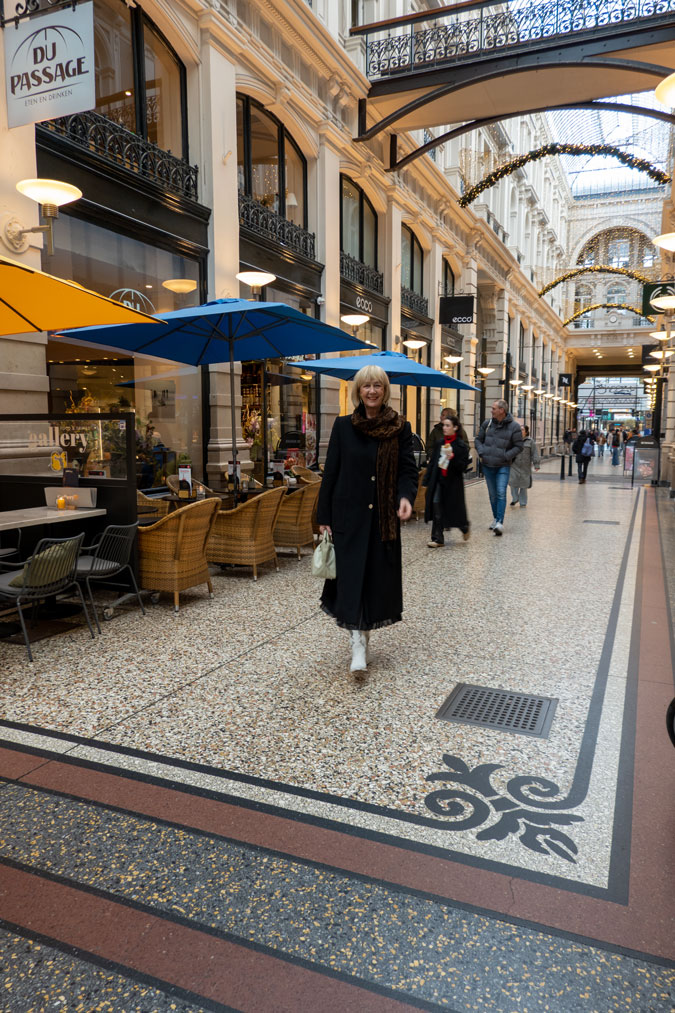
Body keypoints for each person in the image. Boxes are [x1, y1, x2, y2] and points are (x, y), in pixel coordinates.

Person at [317, 365, 418, 677]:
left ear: (385, 390)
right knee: (350, 581)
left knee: (373, 579)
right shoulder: (343, 426)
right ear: (357, 391)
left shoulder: (400, 427)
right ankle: (357, 641)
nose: (372, 391)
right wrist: (323, 517)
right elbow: (331, 473)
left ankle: (364, 633)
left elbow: (407, 470)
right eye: (366, 386)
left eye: (377, 386)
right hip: (349, 517)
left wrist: (405, 497)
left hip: (382, 520)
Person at [474, 399, 523, 536]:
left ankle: (500, 522)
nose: (491, 410)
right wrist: (482, 452)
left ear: (502, 410)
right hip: (488, 465)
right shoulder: (487, 424)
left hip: (503, 466)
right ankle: (496, 518)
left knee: (501, 492)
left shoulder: (514, 427)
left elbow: (519, 446)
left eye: (494, 408)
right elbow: (478, 440)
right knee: (493, 494)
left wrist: (506, 456)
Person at [423, 414, 470, 547]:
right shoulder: (440, 443)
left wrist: (452, 458)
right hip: (439, 480)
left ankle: (464, 526)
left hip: (453, 483)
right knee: (436, 504)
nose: (444, 428)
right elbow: (433, 462)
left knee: (454, 508)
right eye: (444, 425)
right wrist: (427, 479)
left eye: (448, 425)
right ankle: (437, 538)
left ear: (455, 427)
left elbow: (463, 466)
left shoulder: (460, 445)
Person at [508, 424, 540, 507]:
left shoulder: (530, 441)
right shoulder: (513, 440)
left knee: (523, 486)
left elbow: (534, 453)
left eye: (522, 429)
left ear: (526, 432)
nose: (520, 431)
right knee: (512, 483)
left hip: (525, 467)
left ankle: (523, 502)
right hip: (514, 465)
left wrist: (536, 464)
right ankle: (515, 498)